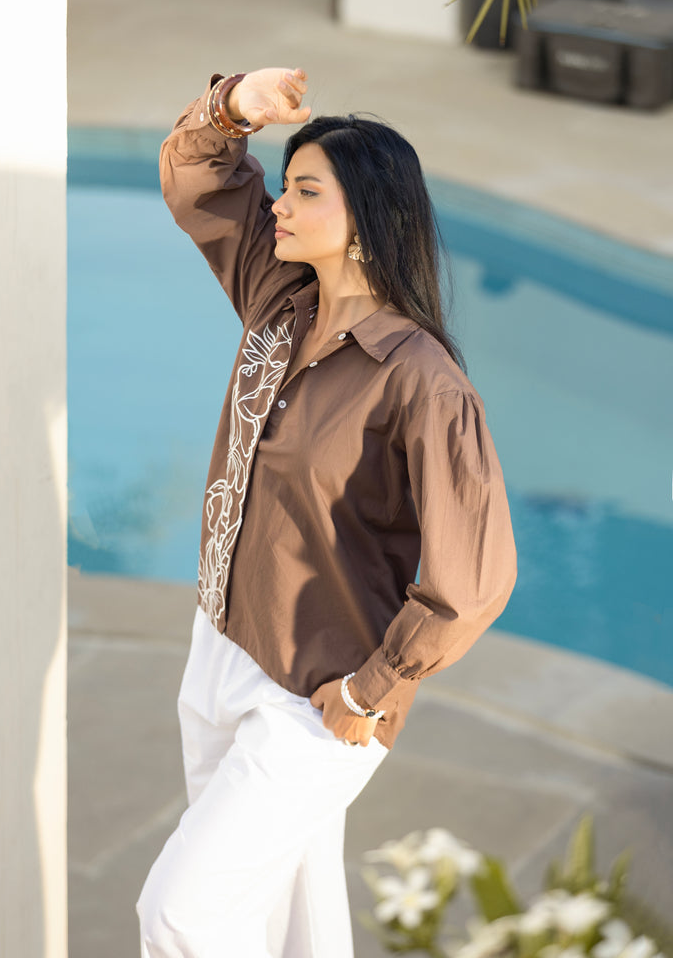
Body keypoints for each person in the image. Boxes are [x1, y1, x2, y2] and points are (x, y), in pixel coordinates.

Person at [136, 67, 518, 958]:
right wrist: (236, 107)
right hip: (222, 653)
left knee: (181, 916)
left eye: (306, 191)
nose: (279, 203)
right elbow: (200, 178)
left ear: (367, 220)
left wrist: (372, 691)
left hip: (318, 700)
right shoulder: (279, 305)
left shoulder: (422, 381)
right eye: (286, 184)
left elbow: (473, 578)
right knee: (280, 920)